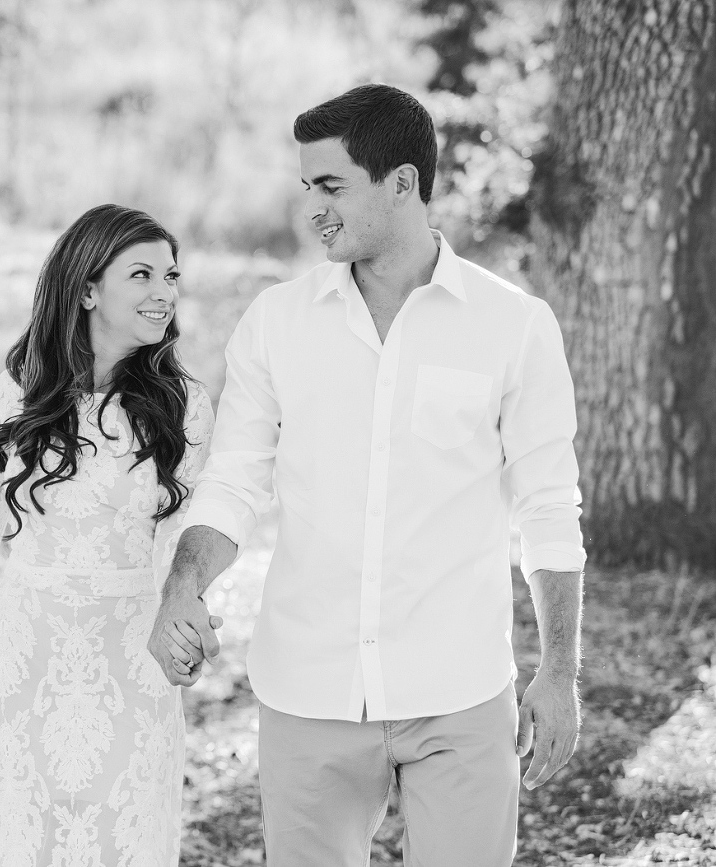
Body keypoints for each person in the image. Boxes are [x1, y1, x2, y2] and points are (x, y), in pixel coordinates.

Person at [148, 84, 586, 867]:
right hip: (307, 690)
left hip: (459, 690)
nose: (311, 208)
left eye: (330, 186)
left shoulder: (513, 326)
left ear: (402, 184)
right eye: (305, 186)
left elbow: (548, 507)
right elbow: (236, 482)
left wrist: (558, 671)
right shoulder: (276, 323)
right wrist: (185, 581)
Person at [0, 204, 216, 867]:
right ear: (86, 289)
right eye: (140, 274)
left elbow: (192, 537)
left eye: (170, 275)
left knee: (124, 841)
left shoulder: (182, 404)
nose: (163, 292)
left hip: (132, 665)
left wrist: (188, 617)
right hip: (25, 657)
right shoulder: (18, 394)